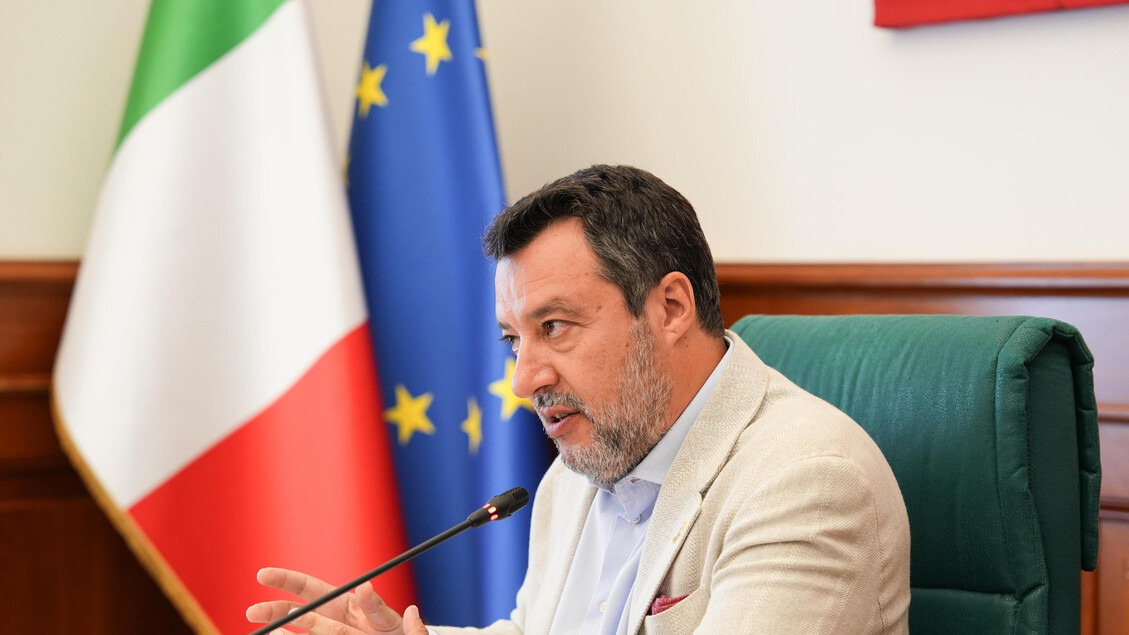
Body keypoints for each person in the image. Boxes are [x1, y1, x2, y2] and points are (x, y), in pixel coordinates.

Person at [247, 165, 911, 634]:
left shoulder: (806, 480)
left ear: (670, 307)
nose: (523, 379)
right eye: (513, 339)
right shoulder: (580, 467)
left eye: (554, 326)